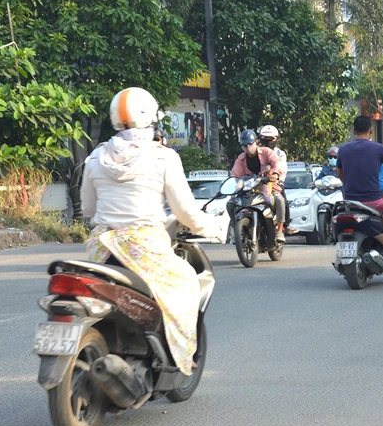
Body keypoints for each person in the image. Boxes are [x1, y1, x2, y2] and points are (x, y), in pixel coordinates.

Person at [80, 87, 215, 375]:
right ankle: (182, 356)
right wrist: (212, 227)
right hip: (144, 247)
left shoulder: (96, 157)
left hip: (101, 249)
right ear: (151, 120)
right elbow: (185, 213)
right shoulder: (163, 157)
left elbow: (88, 209)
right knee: (185, 284)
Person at [336, 115, 383, 255]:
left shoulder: (343, 150)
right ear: (371, 130)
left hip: (350, 202)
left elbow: (341, 176)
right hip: (375, 201)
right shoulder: (379, 149)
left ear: (354, 131)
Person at [230, 128, 287, 241]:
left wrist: (274, 174)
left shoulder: (266, 152)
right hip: (249, 190)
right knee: (231, 203)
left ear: (255, 142)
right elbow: (234, 175)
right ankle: (236, 228)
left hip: (269, 186)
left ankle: (280, 230)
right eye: (244, 145)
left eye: (250, 144)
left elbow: (276, 163)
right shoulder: (240, 159)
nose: (247, 147)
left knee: (280, 200)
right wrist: (235, 184)